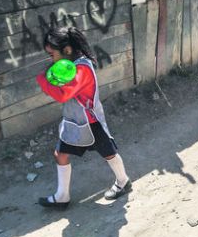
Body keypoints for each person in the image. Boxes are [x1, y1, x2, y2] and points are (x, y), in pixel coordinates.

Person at [35, 26, 132, 210]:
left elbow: (64, 94)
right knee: (60, 154)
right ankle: (62, 196)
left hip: (91, 123)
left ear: (67, 50)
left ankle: (123, 181)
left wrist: (43, 81)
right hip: (74, 122)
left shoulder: (82, 69)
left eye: (51, 54)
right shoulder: (69, 66)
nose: (51, 59)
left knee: (109, 154)